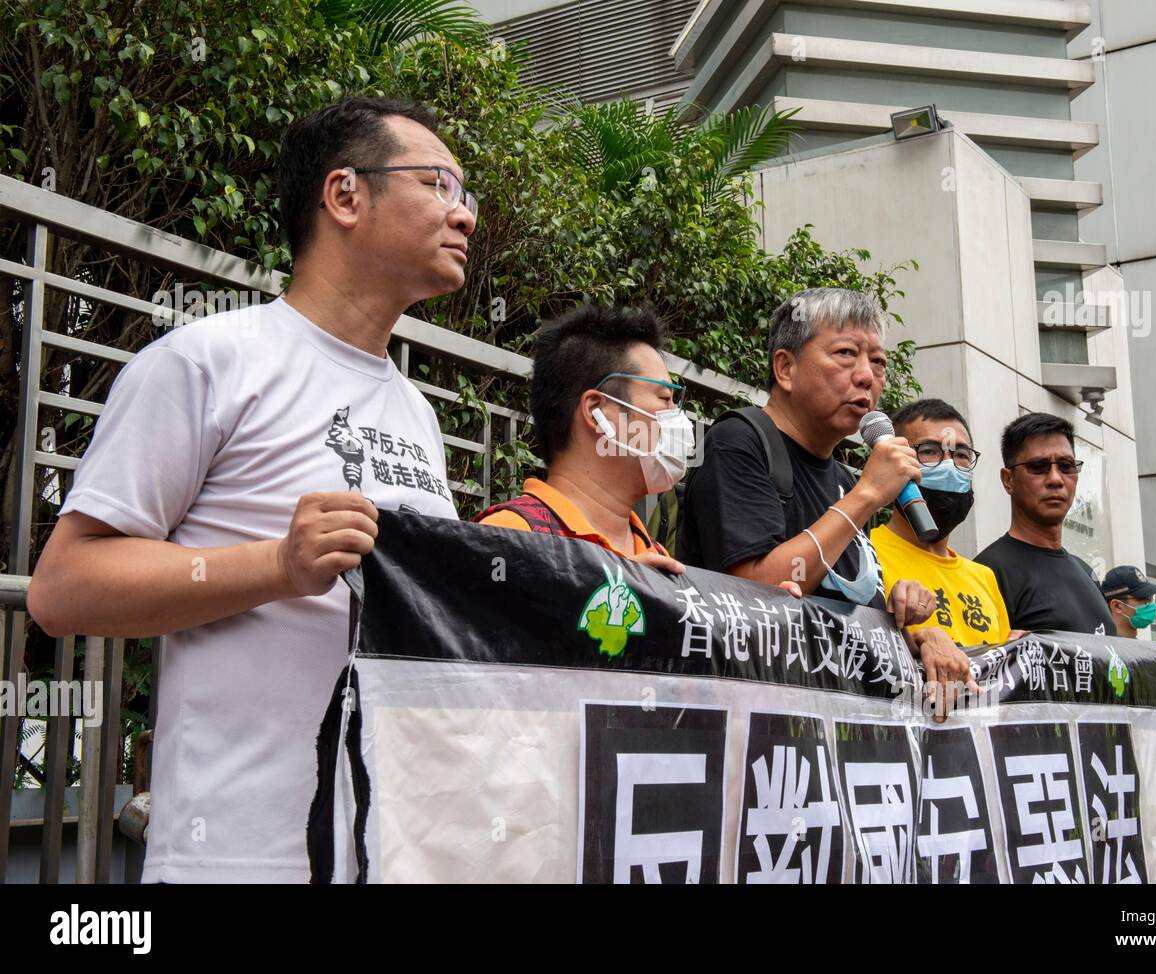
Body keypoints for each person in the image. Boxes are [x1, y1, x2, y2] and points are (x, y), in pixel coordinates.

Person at [26, 96, 476, 882]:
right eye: (439, 183)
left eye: (466, 195)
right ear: (345, 195)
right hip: (233, 856)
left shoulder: (418, 412)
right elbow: (63, 589)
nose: (462, 215)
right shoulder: (207, 362)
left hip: (387, 850)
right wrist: (277, 566)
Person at [677, 287, 974, 715]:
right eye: (845, 354)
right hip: (752, 728)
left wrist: (909, 623)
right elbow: (754, 596)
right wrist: (868, 495)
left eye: (878, 362)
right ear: (786, 368)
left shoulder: (842, 479)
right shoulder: (739, 442)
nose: (866, 377)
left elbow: (848, 615)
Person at [474, 306, 695, 574]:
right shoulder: (508, 538)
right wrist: (610, 586)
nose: (677, 417)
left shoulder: (656, 556)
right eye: (664, 398)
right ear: (595, 410)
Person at [869, 399, 1018, 648]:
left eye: (961, 455)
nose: (949, 466)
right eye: (929, 451)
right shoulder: (864, 554)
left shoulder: (984, 578)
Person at [975, 413, 1116, 635]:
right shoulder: (987, 573)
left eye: (1066, 466)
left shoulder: (1086, 572)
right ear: (1008, 480)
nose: (1055, 479)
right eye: (1038, 466)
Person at [1102, 565, 1156, 639]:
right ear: (1117, 606)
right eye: (1141, 598)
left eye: (1150, 597)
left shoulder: (1143, 648)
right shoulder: (1099, 648)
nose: (1149, 604)